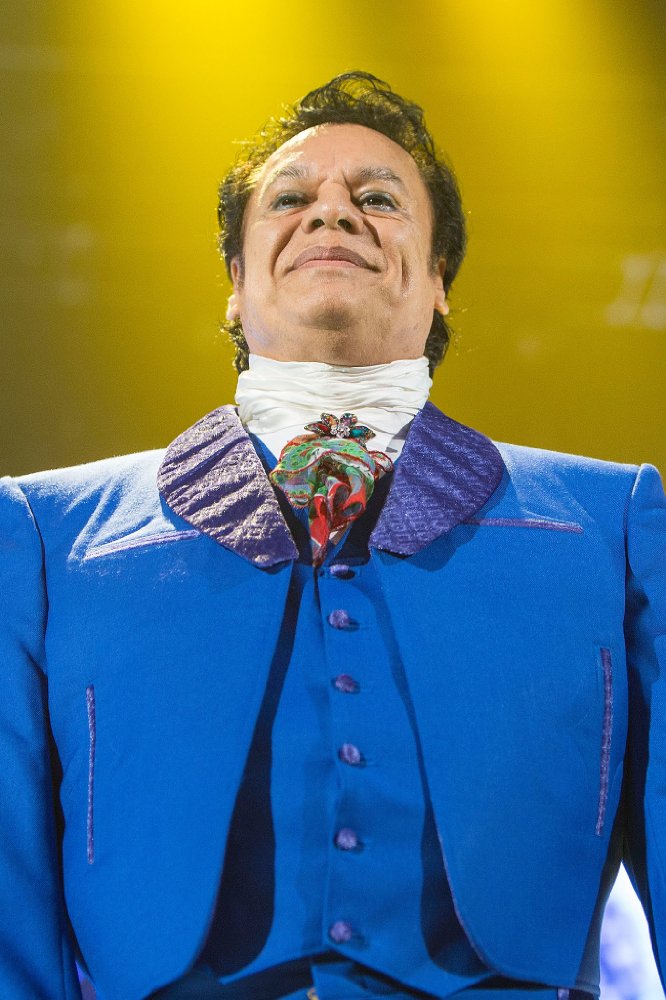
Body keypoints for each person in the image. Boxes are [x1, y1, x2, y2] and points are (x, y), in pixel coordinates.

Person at [0, 71, 664, 1000]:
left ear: (439, 280)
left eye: (378, 200)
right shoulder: (47, 534)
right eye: (290, 200)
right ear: (235, 285)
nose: (333, 213)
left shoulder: (611, 523)